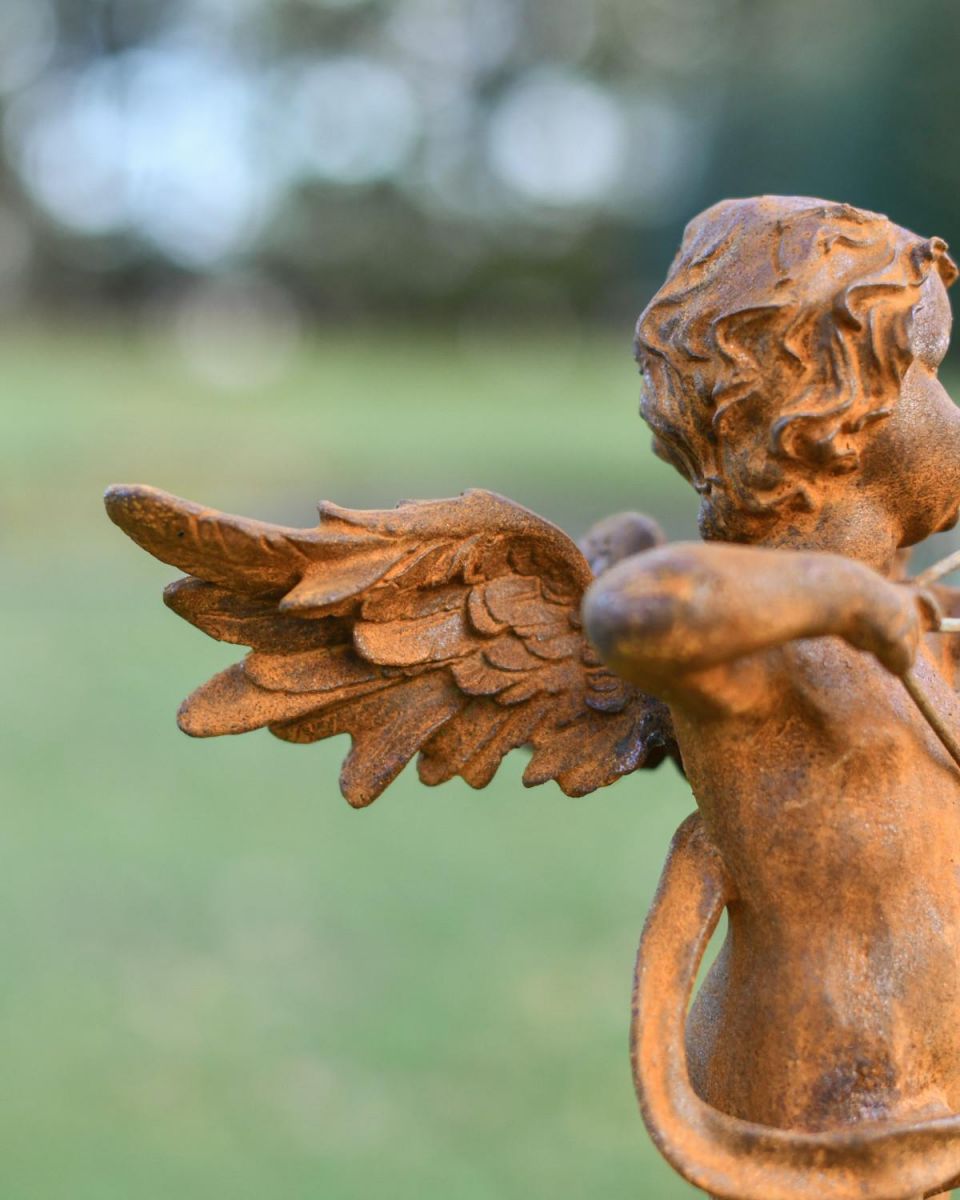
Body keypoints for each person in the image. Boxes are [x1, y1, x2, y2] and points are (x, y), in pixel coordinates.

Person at [584, 196, 960, 1200]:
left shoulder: (912, 619)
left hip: (931, 1108)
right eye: (932, 371)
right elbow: (634, 608)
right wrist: (843, 597)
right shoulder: (761, 648)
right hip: (824, 1113)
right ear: (828, 414)